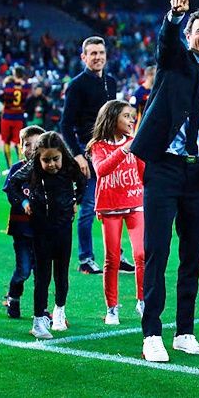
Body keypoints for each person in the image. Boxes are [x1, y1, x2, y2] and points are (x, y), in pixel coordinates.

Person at [130, 0, 199, 362]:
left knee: (193, 255)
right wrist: (174, 15)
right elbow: (165, 42)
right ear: (189, 34)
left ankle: (185, 331)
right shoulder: (174, 63)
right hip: (164, 168)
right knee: (157, 251)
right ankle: (152, 333)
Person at [61, 36, 134, 275]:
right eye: (92, 53)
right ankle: (85, 258)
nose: (98, 57)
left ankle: (117, 256)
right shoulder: (77, 85)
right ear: (83, 57)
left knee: (118, 205)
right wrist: (78, 156)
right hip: (89, 151)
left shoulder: (110, 82)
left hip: (112, 151)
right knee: (90, 206)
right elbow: (65, 125)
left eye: (101, 53)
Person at [7, 132, 86, 339]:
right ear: (38, 158)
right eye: (46, 160)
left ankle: (59, 311)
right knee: (42, 276)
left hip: (63, 228)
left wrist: (76, 201)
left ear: (62, 155)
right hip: (40, 229)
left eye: (55, 159)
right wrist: (24, 203)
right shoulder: (32, 168)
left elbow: (84, 183)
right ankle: (39, 321)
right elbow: (12, 184)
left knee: (61, 273)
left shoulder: (69, 166)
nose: (51, 164)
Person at [88, 100, 146, 325]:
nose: (131, 121)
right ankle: (112, 307)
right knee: (112, 258)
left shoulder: (135, 142)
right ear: (112, 119)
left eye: (132, 116)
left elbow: (143, 171)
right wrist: (123, 150)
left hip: (135, 203)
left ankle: (142, 301)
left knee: (141, 254)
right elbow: (101, 170)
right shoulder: (98, 146)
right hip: (110, 206)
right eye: (126, 116)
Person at [3, 125, 46, 318]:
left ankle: (41, 308)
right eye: (27, 145)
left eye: (37, 144)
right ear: (21, 147)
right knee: (24, 269)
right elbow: (11, 191)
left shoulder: (49, 169)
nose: (32, 149)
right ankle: (13, 296)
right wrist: (23, 201)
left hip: (42, 231)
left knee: (41, 273)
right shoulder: (17, 169)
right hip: (21, 229)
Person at [0, 66, 31, 169]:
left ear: (14, 74)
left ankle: (9, 167)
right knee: (19, 142)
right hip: (18, 117)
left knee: (6, 141)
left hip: (7, 117)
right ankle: (21, 166)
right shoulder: (26, 87)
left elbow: (1, 98)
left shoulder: (8, 85)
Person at [130, 65, 155, 131]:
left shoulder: (155, 92)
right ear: (149, 75)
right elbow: (132, 112)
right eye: (156, 74)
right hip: (141, 128)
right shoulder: (139, 93)